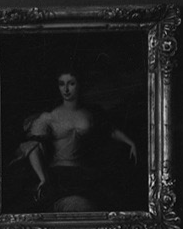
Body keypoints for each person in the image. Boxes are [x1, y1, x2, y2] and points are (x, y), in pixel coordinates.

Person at [10, 69, 142, 213]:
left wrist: (130, 142)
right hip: (59, 174)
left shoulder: (90, 113)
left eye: (71, 84)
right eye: (62, 84)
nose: (66, 89)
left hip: (85, 173)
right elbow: (32, 147)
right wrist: (43, 177)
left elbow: (109, 130)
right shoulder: (49, 116)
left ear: (79, 85)